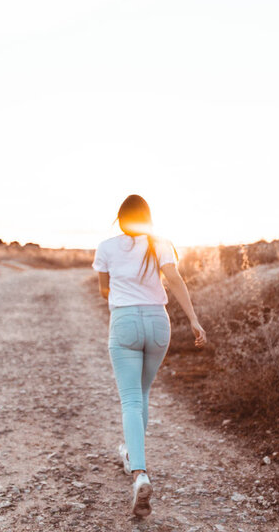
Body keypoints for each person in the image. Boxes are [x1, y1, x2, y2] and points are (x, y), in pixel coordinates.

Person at [91, 194, 207, 518]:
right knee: (142, 393)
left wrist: (123, 295)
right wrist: (194, 320)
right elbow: (175, 280)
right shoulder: (161, 243)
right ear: (148, 217)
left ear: (120, 218)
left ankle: (139, 473)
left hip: (125, 321)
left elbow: (104, 290)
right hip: (159, 322)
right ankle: (131, 453)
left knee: (130, 399)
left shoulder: (106, 247)